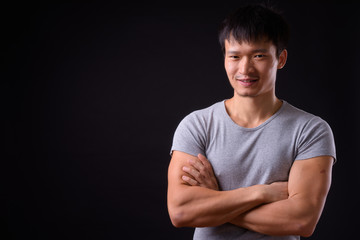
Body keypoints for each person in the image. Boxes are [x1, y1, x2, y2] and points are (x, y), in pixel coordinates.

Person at [167, 4, 336, 240]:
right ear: (225, 58)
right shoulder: (196, 125)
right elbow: (181, 211)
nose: (245, 69)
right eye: (234, 56)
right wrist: (261, 193)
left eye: (259, 56)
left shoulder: (311, 130)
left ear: (281, 58)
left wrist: (215, 198)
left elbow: (301, 220)